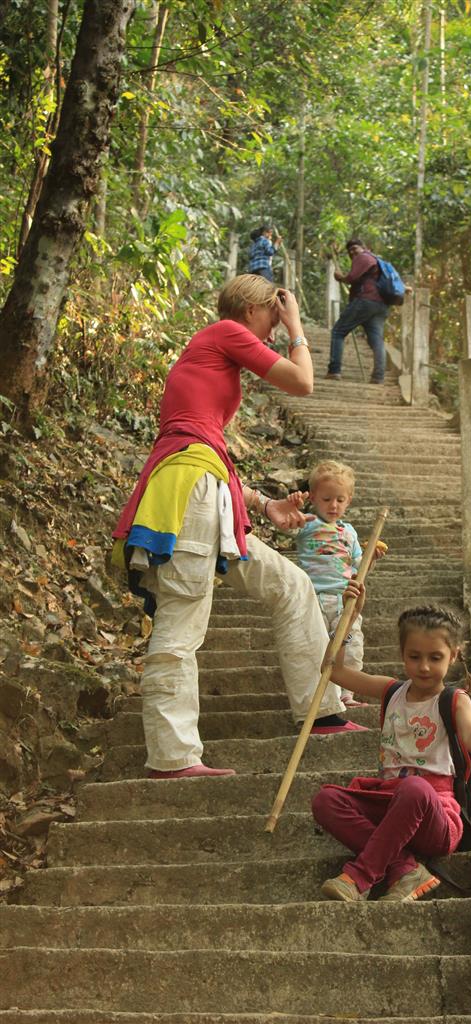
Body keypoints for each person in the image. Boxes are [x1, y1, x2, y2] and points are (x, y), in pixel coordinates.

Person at [112, 275, 365, 781]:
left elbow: (207, 447)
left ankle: (322, 712)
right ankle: (172, 756)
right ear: (252, 309)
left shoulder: (214, 351)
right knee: (183, 618)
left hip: (211, 489)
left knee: (293, 586)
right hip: (190, 492)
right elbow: (302, 381)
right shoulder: (225, 331)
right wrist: (297, 327)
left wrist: (262, 504)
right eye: (272, 314)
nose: (274, 326)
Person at [312, 594, 471, 902]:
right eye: (414, 656)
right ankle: (405, 870)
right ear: (402, 654)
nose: (423, 667)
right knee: (326, 800)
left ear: (453, 655)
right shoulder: (392, 691)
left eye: (435, 657)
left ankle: (360, 876)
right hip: (391, 801)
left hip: (436, 815)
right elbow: (335, 671)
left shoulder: (454, 700)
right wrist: (350, 618)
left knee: (414, 788)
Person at [295, 460, 370, 709]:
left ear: (349, 500)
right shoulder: (305, 523)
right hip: (313, 597)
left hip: (344, 599)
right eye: (326, 499)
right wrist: (292, 507)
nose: (333, 505)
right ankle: (323, 695)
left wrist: (373, 558)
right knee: (317, 646)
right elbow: (285, 525)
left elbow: (359, 566)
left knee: (349, 644)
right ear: (313, 497)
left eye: (340, 499)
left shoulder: (350, 533)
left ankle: (347, 694)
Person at [327, 239, 389, 385]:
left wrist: (340, 277)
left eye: (355, 248)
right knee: (376, 340)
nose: (352, 252)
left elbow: (352, 277)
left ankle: (334, 370)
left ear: (364, 247)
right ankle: (378, 376)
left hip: (365, 301)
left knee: (338, 332)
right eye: (350, 251)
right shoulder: (377, 261)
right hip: (381, 304)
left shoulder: (363, 257)